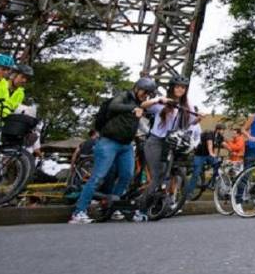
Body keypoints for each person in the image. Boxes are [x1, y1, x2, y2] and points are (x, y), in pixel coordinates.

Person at [69, 77, 158, 224]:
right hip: (109, 142)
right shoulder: (124, 96)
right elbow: (113, 106)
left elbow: (141, 124)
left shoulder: (140, 104)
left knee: (126, 176)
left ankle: (113, 207)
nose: (146, 95)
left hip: (126, 145)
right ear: (137, 88)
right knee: (98, 177)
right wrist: (132, 108)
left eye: (149, 93)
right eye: (145, 91)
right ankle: (79, 212)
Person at [134, 75, 197, 222]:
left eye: (183, 87)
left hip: (172, 143)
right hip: (156, 141)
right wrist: (158, 100)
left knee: (167, 175)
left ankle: (157, 204)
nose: (180, 89)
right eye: (177, 86)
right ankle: (140, 209)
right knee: (157, 177)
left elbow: (192, 122)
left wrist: (199, 118)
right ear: (172, 87)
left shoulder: (187, 104)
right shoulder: (163, 101)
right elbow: (142, 105)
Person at [185, 123, 222, 199]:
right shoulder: (209, 133)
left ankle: (213, 182)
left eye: (223, 130)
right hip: (200, 155)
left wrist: (231, 150)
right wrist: (211, 153)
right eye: (221, 130)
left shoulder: (219, 136)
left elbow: (224, 143)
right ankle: (188, 193)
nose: (222, 132)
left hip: (208, 156)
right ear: (217, 129)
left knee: (217, 163)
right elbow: (209, 144)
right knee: (196, 173)